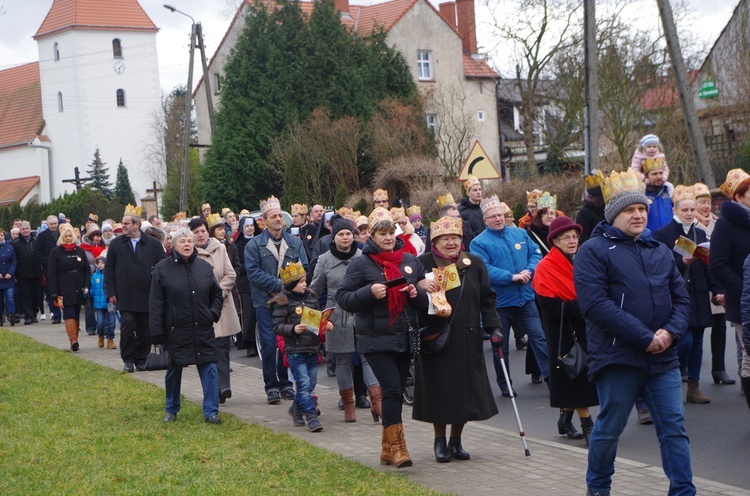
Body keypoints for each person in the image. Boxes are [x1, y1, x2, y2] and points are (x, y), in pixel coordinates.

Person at [574, 168, 693, 496]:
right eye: (630, 210)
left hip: (663, 358)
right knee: (610, 429)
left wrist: (669, 333)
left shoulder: (658, 250)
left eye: (641, 208)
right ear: (614, 214)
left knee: (674, 430)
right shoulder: (592, 251)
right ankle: (598, 489)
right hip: (618, 357)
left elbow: (681, 299)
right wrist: (645, 338)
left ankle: (684, 491)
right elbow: (595, 305)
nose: (638, 214)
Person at [337, 207, 428, 468]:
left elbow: (424, 300)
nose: (388, 237)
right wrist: (368, 292)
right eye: (382, 233)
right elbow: (344, 299)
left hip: (404, 335)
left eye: (391, 232)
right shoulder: (361, 263)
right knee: (391, 389)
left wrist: (416, 293)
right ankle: (399, 448)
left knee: (397, 391)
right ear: (372, 236)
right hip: (375, 339)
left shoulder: (409, 260)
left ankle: (387, 449)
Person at [414, 216, 500, 462]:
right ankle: (439, 440)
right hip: (436, 336)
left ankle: (456, 440)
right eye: (445, 239)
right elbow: (411, 296)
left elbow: (487, 298)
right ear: (435, 241)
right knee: (439, 390)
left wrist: (494, 327)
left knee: (464, 391)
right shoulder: (424, 263)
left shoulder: (474, 263)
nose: (451, 243)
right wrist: (420, 285)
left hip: (468, 336)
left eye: (455, 238)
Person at [470, 195, 550, 396]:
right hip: (499, 303)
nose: (498, 219)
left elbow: (536, 254)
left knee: (539, 339)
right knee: (501, 347)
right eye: (493, 216)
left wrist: (529, 271)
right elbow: (484, 269)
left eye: (500, 215)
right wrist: (511, 277)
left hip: (526, 299)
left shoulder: (519, 234)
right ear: (485, 220)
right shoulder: (478, 243)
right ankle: (505, 384)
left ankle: (552, 379)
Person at [532, 216, 598, 445]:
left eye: (574, 236)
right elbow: (549, 306)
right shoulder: (545, 267)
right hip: (562, 329)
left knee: (578, 375)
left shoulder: (581, 260)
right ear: (555, 241)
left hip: (585, 326)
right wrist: (585, 305)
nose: (572, 241)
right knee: (576, 376)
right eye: (565, 238)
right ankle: (588, 425)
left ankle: (565, 418)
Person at [150, 228, 224, 424]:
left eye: (190, 241)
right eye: (182, 241)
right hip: (176, 329)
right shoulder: (161, 268)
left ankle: (211, 412)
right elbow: (156, 302)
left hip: (202, 327)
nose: (187, 244)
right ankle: (171, 409)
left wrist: (213, 314)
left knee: (209, 368)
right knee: (174, 370)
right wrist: (156, 332)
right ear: (173, 245)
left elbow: (217, 294)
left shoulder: (204, 267)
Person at [310, 217, 380, 424]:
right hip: (337, 317)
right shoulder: (324, 260)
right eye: (341, 234)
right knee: (343, 360)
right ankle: (348, 405)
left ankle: (377, 401)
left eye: (349, 233)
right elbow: (315, 289)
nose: (345, 237)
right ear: (334, 237)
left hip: (363, 313)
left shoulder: (364, 256)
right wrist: (313, 316)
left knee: (368, 356)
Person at [654, 185, 716, 404]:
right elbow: (660, 267)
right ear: (675, 210)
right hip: (678, 294)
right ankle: (670, 380)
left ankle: (694, 386)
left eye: (692, 209)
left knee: (698, 341)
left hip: (699, 292)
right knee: (684, 341)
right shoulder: (663, 234)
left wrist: (716, 290)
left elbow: (709, 266)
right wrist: (681, 261)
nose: (690, 213)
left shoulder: (699, 233)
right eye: (685, 210)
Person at [245, 196, 309, 404]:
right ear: (263, 221)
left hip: (289, 302)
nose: (278, 219)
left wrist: (293, 286)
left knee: (287, 342)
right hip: (266, 302)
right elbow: (253, 273)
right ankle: (271, 386)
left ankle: (286, 384)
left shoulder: (295, 243)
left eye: (280, 215)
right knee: (269, 343)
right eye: (273, 216)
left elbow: (305, 268)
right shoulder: (254, 245)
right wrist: (279, 285)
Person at [271, 262, 332, 432]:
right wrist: (292, 329)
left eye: (305, 281)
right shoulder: (282, 301)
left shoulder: (311, 297)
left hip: (313, 348)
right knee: (303, 383)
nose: (305, 284)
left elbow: (318, 318)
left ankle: (295, 409)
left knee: (311, 383)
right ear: (291, 285)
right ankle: (311, 417)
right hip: (295, 349)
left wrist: (326, 324)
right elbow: (276, 325)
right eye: (301, 282)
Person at [105, 215, 166, 373]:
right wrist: (110, 291)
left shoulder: (152, 244)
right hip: (124, 294)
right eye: (122, 223)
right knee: (128, 324)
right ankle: (128, 359)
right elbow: (109, 269)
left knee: (145, 328)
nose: (123, 226)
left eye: (126, 223)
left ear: (137, 225)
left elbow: (162, 268)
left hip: (146, 294)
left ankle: (141, 359)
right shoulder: (116, 244)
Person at [189, 217, 241, 405]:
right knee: (204, 349)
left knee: (222, 347)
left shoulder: (220, 248)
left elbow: (230, 274)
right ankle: (211, 388)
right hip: (199, 308)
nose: (200, 235)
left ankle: (224, 386)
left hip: (221, 305)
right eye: (196, 232)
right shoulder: (189, 253)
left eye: (202, 231)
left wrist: (219, 291)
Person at [710, 168, 750, 397]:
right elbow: (717, 265)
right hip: (744, 303)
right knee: (749, 358)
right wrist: (745, 290)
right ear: (738, 196)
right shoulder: (725, 225)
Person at [693, 182, 734, 385]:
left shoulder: (719, 223)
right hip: (699, 281)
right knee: (695, 332)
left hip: (717, 281)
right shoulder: (691, 226)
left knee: (720, 328)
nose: (706, 206)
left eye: (708, 202)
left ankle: (719, 369)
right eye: (701, 202)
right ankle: (690, 374)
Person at [48, 225, 91, 352]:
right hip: (64, 288)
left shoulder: (80, 250)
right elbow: (52, 273)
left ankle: (75, 340)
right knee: (69, 313)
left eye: (70, 236)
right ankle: (73, 340)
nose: (68, 238)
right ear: (62, 238)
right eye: (65, 236)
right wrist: (53, 291)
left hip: (79, 287)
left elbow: (86, 269)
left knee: (76, 313)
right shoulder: (56, 252)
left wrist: (86, 285)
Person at [234, 215, 259, 357]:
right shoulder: (238, 245)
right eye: (247, 226)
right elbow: (237, 266)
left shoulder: (261, 241)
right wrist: (251, 266)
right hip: (246, 284)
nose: (250, 228)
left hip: (260, 283)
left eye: (252, 225)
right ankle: (250, 343)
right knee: (249, 315)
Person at [13, 221, 41, 325]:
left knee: (36, 295)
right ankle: (28, 316)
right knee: (25, 296)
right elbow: (14, 259)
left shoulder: (36, 240)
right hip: (22, 274)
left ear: (30, 229)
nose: (25, 231)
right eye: (23, 229)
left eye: (27, 229)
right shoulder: (15, 243)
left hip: (36, 272)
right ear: (20, 230)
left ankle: (34, 314)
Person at [34, 214, 61, 324]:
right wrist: (46, 260)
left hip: (62, 267)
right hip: (49, 268)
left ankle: (66, 313)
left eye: (55, 223)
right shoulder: (42, 236)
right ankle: (56, 314)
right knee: (52, 292)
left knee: (62, 292)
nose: (54, 226)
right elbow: (37, 252)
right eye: (51, 224)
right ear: (47, 224)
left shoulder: (62, 233)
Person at [81, 228, 106, 335]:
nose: (98, 238)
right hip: (89, 277)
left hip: (102, 279)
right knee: (89, 303)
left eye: (99, 236)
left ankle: (104, 327)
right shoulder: (84, 249)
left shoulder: (104, 248)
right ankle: (91, 327)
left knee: (103, 302)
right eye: (96, 235)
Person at [90, 256, 116, 349]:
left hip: (109, 302)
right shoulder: (94, 276)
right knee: (100, 323)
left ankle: (110, 338)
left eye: (102, 263)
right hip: (99, 303)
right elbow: (92, 289)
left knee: (111, 322)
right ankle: (100, 336)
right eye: (99, 263)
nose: (100, 264)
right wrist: (87, 292)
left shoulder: (111, 275)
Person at [643, 159, 674, 232]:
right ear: (646, 177)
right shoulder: (642, 195)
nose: (659, 176)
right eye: (654, 174)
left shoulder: (669, 193)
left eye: (661, 173)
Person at [576, 172, 606, 245]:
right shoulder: (584, 214)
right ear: (592, 197)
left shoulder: (606, 210)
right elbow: (582, 239)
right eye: (600, 196)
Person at [526, 192, 558, 256]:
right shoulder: (531, 234)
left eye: (552, 213)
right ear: (540, 216)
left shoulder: (560, 232)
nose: (549, 216)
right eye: (545, 213)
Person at [0, 228, 17, 326]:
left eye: (2, 235)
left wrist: (10, 272)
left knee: (10, 298)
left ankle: (12, 316)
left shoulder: (10, 247)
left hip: (8, 277)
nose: (0, 237)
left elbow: (14, 261)